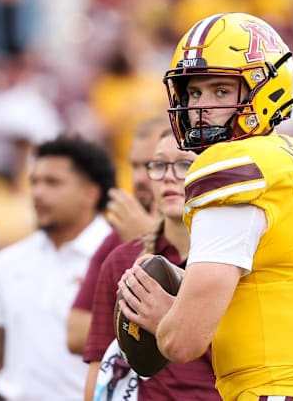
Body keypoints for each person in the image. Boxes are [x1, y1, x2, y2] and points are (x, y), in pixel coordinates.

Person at [117, 12, 293, 401]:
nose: (200, 106)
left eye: (220, 90)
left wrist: (163, 316)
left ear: (264, 89)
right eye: (194, 92)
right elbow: (279, 282)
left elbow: (183, 342)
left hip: (282, 392)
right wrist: (189, 289)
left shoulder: (232, 167)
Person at [83, 130, 220, 400]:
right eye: (158, 165)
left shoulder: (235, 261)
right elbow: (100, 365)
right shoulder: (121, 260)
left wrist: (172, 321)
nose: (169, 176)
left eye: (184, 165)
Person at [0, 135, 115, 400]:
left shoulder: (120, 260)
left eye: (52, 183)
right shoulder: (8, 262)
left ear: (91, 193)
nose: (37, 192)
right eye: (34, 182)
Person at [67, 117, 163, 355]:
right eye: (135, 166)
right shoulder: (116, 236)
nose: (139, 178)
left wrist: (147, 240)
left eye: (153, 165)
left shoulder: (208, 229)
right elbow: (76, 334)